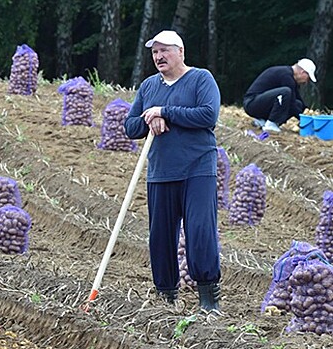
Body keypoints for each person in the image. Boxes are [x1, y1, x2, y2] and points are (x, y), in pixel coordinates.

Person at [123, 30, 222, 312]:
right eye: (154, 52)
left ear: (181, 51)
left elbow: (207, 115)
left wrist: (165, 111)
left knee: (199, 230)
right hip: (161, 172)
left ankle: (209, 297)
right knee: (160, 236)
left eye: (164, 50)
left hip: (197, 168)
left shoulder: (201, 79)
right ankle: (165, 296)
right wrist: (150, 116)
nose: (158, 56)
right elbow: (131, 127)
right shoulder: (149, 86)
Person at [243, 58, 317, 133]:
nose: (306, 82)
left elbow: (296, 99)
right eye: (308, 78)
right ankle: (271, 124)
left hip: (261, 103)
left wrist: (307, 112)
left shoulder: (290, 77)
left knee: (298, 103)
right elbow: (291, 104)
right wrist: (304, 119)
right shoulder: (286, 76)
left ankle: (262, 121)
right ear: (302, 72)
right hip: (251, 103)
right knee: (285, 92)